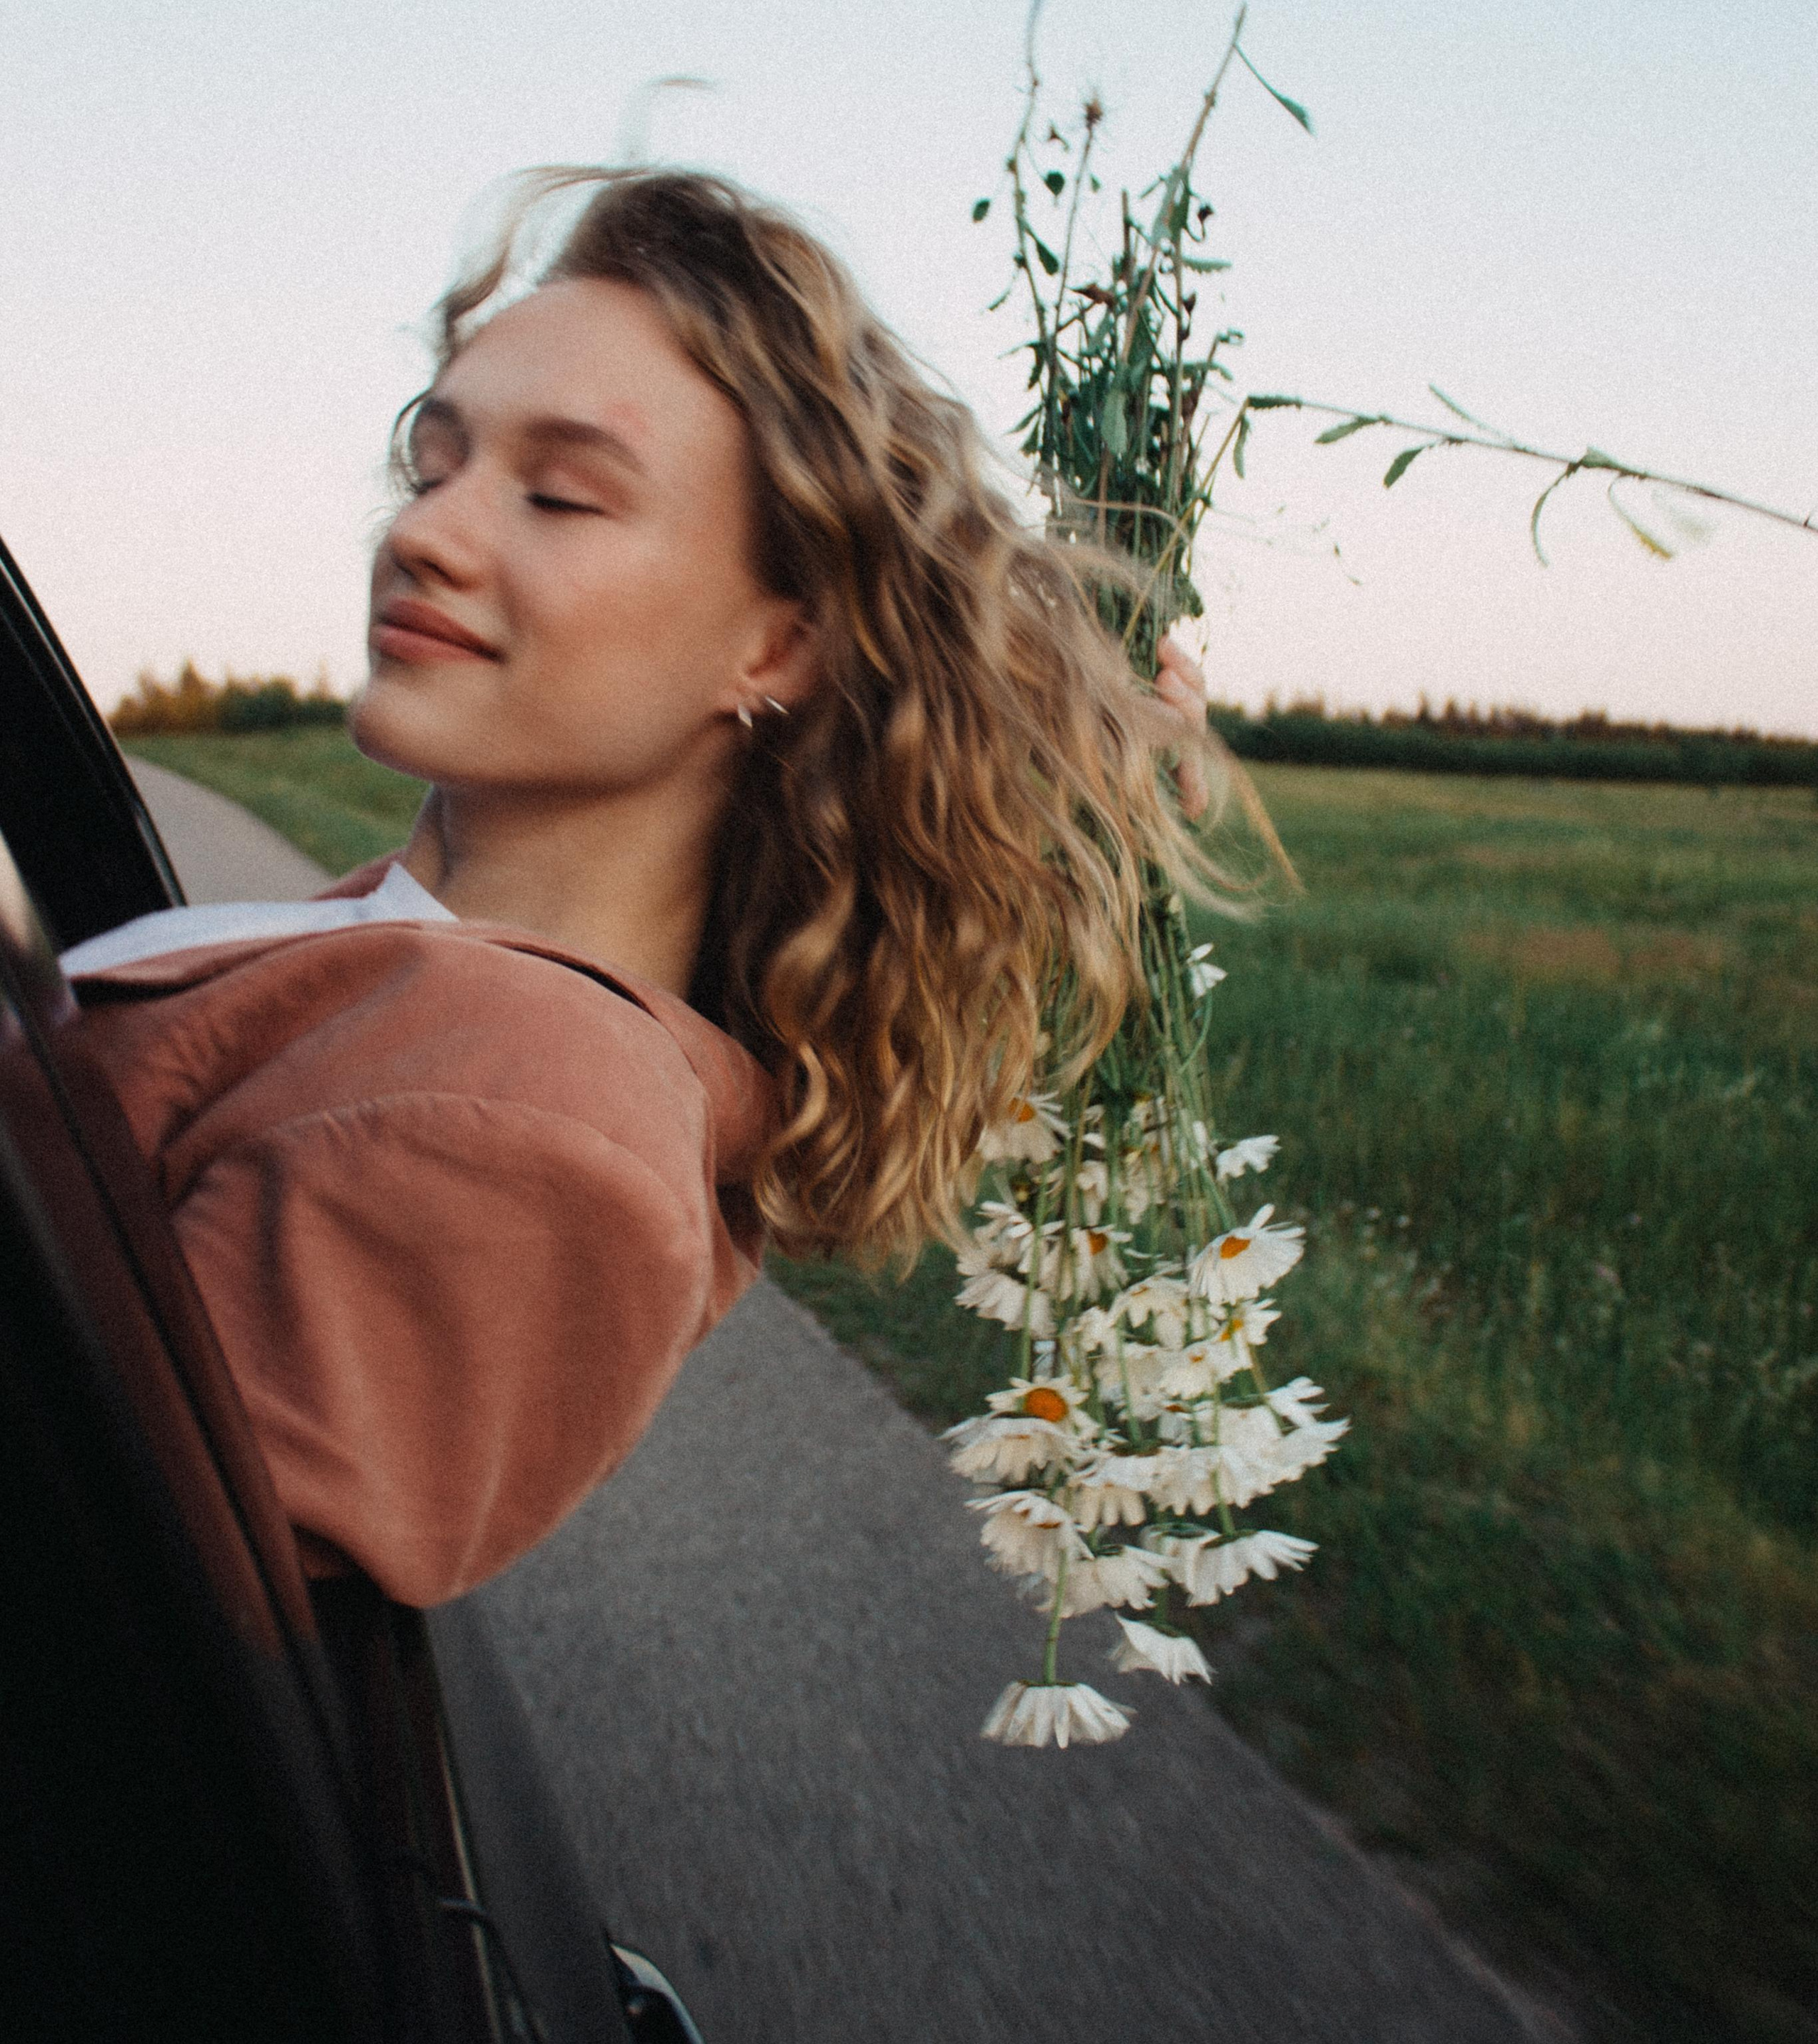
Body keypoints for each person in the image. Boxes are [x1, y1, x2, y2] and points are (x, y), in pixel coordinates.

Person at [63, 168, 1222, 1608]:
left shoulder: (534, 1111)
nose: (423, 535)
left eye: (559, 494)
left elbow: (99, 1634)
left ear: (774, 651)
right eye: (434, 467)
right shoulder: (406, 965)